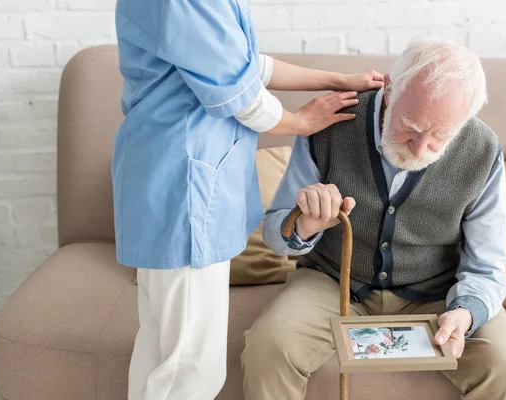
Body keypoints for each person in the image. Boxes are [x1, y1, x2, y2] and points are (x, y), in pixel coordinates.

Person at [112, 1, 385, 399]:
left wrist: (340, 79)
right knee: (189, 367)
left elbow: (244, 65)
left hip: (173, 177)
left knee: (163, 350)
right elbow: (240, 95)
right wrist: (300, 122)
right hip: (185, 185)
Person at [241, 36, 506, 400]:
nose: (421, 147)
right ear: (391, 89)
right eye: (411, 126)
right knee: (269, 348)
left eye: (439, 136)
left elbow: (487, 266)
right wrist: (305, 224)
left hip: (438, 292)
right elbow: (274, 234)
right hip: (333, 282)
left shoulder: (482, 149)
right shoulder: (329, 122)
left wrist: (466, 314)